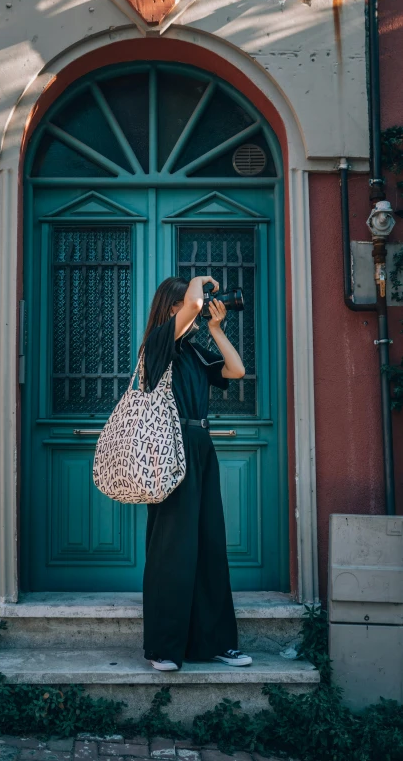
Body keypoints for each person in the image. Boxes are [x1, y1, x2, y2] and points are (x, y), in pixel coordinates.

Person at [139, 275, 253, 672]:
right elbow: (189, 305)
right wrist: (198, 282)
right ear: (172, 308)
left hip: (202, 448)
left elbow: (236, 371)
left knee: (209, 545)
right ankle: (164, 648)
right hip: (170, 448)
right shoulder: (157, 344)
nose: (200, 305)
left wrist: (217, 329)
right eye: (191, 303)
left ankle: (216, 643)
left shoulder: (193, 351)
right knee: (171, 548)